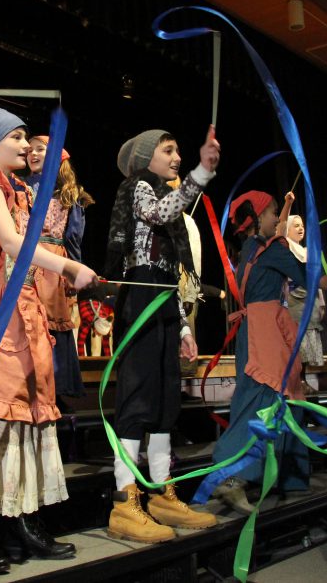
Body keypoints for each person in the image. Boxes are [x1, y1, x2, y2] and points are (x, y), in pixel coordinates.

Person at [0, 108, 97, 574]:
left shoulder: (18, 190)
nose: (27, 145)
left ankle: (19, 519)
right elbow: (11, 243)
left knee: (23, 416)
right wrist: (68, 267)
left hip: (21, 309)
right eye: (18, 136)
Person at [103, 127, 220, 543]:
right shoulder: (137, 187)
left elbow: (175, 273)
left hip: (164, 302)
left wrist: (185, 324)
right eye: (168, 150)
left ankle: (161, 491)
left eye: (178, 151)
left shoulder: (171, 211)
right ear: (146, 156)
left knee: (167, 396)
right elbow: (157, 213)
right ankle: (124, 498)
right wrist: (199, 174)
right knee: (138, 395)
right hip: (141, 298)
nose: (175, 157)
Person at [208, 192, 327, 514]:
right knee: (265, 400)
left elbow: (279, 230)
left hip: (259, 328)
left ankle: (286, 473)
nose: (278, 219)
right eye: (273, 213)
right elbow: (310, 276)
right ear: (258, 219)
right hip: (265, 332)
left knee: (281, 398)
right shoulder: (270, 251)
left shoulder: (252, 247)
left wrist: (284, 206)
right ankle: (233, 479)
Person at [26, 135, 94, 410]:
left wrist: (73, 272)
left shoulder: (68, 193)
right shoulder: (19, 186)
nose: (32, 154)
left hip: (53, 265)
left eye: (40, 149)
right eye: (29, 150)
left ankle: (53, 387)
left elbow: (73, 237)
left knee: (52, 323)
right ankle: (28, 386)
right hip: (26, 260)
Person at [284, 214, 327, 393]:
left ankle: (303, 380)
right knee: (298, 342)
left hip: (310, 301)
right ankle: (296, 382)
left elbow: (318, 279)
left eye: (302, 225)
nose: (300, 229)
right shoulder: (286, 249)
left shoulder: (307, 251)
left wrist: (321, 302)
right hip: (296, 300)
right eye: (296, 225)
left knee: (307, 343)